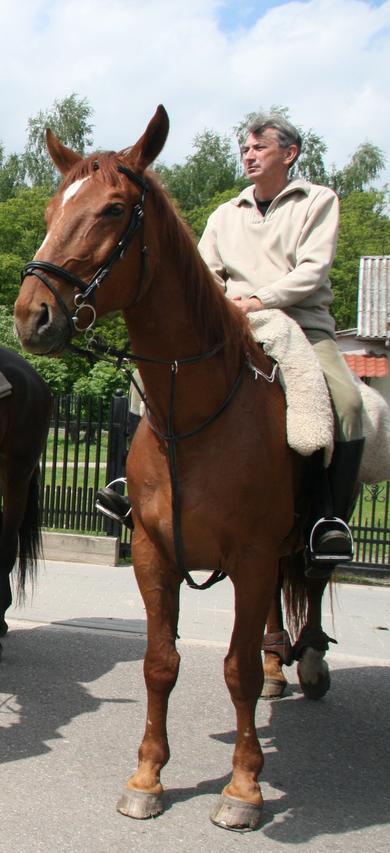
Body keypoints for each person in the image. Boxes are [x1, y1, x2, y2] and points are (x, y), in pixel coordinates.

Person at [199, 111, 365, 576]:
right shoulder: (224, 213)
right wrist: (221, 310)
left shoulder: (317, 201)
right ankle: (131, 485)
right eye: (245, 149)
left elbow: (312, 271)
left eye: (259, 147)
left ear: (288, 154)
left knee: (349, 404)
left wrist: (257, 300)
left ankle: (328, 519)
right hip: (234, 326)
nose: (248, 155)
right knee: (152, 376)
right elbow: (205, 274)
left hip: (302, 325)